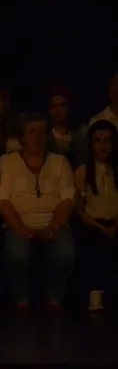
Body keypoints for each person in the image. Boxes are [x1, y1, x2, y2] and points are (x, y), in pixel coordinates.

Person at [0, 114, 75, 313]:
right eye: (32, 132)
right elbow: (3, 201)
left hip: (55, 224)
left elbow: (67, 199)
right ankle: (21, 299)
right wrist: (21, 229)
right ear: (22, 137)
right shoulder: (7, 162)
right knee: (17, 253)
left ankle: (55, 299)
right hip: (19, 224)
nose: (37, 137)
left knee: (64, 252)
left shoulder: (60, 162)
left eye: (42, 132)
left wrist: (54, 227)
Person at [73, 120, 118, 312]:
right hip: (92, 223)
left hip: (115, 222)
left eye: (107, 140)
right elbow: (80, 211)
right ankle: (96, 294)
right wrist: (101, 227)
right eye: (97, 141)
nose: (103, 146)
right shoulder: (83, 172)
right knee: (96, 240)